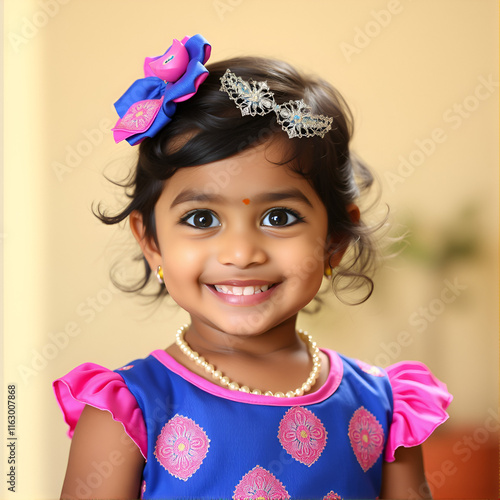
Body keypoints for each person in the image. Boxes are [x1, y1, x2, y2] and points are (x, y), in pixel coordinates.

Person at [53, 34, 452, 499]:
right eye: (201, 219)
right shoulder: (129, 414)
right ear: (152, 242)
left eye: (278, 218)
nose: (241, 253)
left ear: (334, 241)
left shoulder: (385, 408)